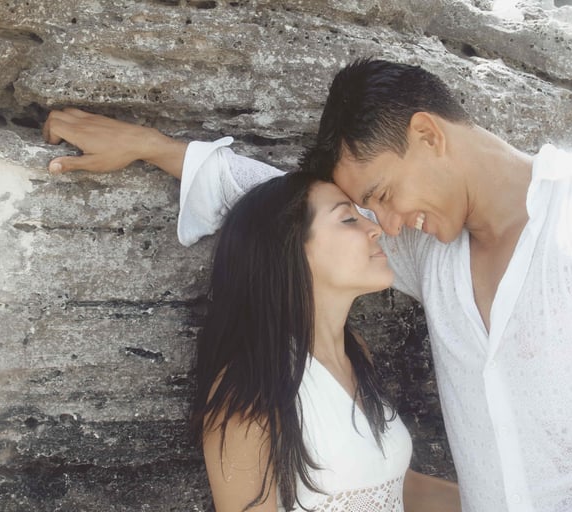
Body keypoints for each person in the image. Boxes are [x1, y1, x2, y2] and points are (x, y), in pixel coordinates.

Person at [42, 59, 572, 512]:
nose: (384, 225)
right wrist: (155, 148)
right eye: (365, 211)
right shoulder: (433, 251)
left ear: (429, 135)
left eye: (381, 195)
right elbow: (286, 220)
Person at [43, 110, 462, 511]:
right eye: (349, 219)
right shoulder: (250, 391)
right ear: (290, 250)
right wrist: (150, 147)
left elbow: (393, 487)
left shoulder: (357, 354)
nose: (376, 228)